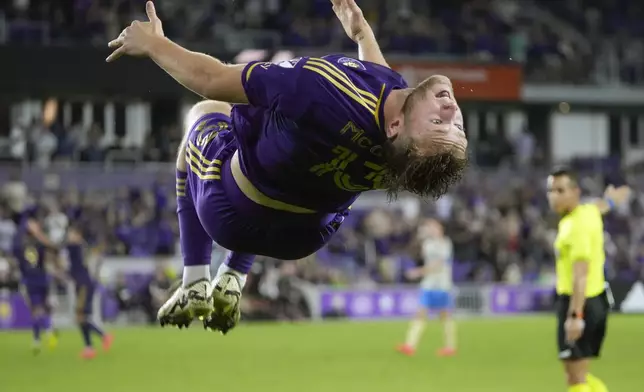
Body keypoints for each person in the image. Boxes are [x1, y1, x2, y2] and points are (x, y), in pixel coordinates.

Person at [106, 0, 468, 333]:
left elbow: (210, 80)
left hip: (229, 214)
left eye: (440, 125)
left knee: (208, 113)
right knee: (289, 170)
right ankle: (234, 274)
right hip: (303, 238)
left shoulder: (323, 88)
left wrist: (154, 44)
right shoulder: (401, 154)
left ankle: (195, 280)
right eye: (458, 127)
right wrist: (362, 34)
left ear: (396, 127)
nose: (451, 112)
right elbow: (384, 89)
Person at [547, 167, 630, 392]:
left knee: (575, 378)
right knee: (577, 374)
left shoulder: (576, 227)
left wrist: (575, 316)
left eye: (560, 190)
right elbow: (599, 207)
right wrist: (610, 202)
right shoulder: (586, 213)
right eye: (551, 190)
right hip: (596, 300)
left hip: (580, 302)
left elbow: (580, 275)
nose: (554, 195)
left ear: (575, 191)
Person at [397, 219, 456, 357]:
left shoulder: (445, 243)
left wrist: (418, 272)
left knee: (445, 316)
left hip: (442, 285)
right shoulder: (428, 244)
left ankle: (450, 347)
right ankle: (410, 345)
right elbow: (421, 256)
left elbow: (438, 264)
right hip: (429, 284)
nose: (430, 230)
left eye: (433, 227)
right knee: (420, 314)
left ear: (440, 229)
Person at [66, 225, 114, 359]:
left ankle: (103, 337)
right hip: (82, 284)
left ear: (78, 236)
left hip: (83, 285)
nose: (69, 237)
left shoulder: (75, 247)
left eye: (71, 234)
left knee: (80, 317)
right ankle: (89, 348)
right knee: (82, 318)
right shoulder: (82, 248)